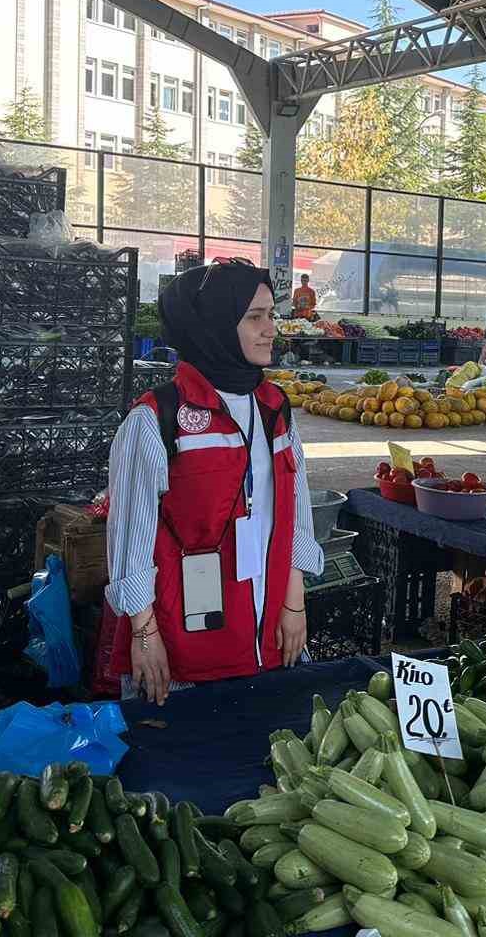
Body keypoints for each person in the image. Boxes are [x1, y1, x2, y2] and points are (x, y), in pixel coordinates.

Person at [104, 262, 324, 704]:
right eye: (254, 318)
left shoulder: (274, 408)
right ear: (214, 327)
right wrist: (143, 633)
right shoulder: (156, 419)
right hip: (185, 647)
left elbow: (296, 512)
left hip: (269, 635)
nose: (271, 330)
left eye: (271, 315)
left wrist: (294, 602)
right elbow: (130, 537)